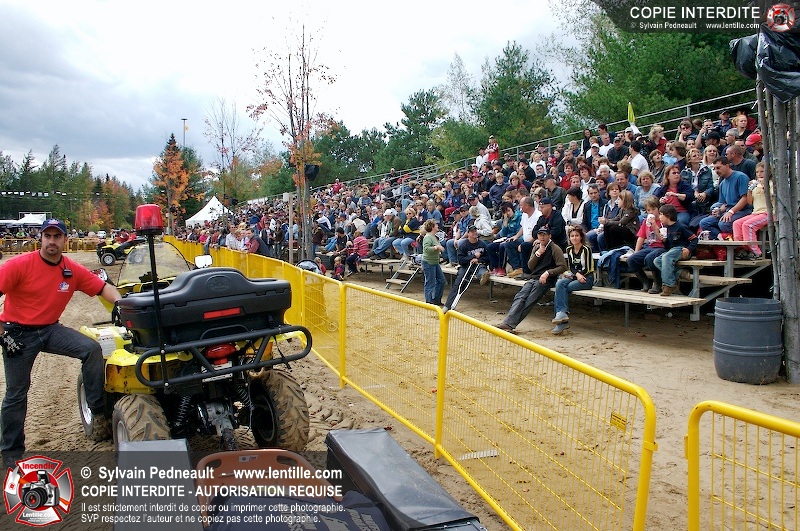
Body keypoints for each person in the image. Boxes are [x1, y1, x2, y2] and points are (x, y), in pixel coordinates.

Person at [0, 218, 122, 467]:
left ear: (65, 240)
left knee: (91, 349)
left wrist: (122, 305)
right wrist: (3, 334)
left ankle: (98, 411)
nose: (52, 241)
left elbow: (102, 288)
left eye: (57, 236)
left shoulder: (71, 270)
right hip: (17, 333)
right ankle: (11, 452)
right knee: (16, 392)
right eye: (48, 236)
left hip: (49, 328)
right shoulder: (19, 265)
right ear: (41, 238)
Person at [496, 228, 567, 332]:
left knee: (530, 300)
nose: (542, 237)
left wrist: (548, 273)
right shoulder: (537, 247)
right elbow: (530, 266)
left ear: (549, 236)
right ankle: (508, 322)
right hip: (534, 278)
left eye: (544, 235)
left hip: (546, 280)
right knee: (520, 297)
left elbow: (562, 266)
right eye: (540, 235)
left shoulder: (555, 248)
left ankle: (510, 324)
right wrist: (537, 254)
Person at [551, 226, 595, 335]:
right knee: (560, 284)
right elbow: (571, 267)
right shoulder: (569, 249)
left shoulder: (586, 249)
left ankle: (562, 319)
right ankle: (561, 315)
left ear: (581, 237)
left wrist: (579, 275)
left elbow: (588, 268)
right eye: (572, 236)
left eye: (577, 236)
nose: (574, 238)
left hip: (586, 278)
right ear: (569, 238)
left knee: (565, 288)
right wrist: (576, 274)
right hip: (575, 276)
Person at [698, 156, 752, 240]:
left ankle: (737, 243)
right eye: (715, 168)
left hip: (743, 211)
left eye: (718, 168)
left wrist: (731, 212)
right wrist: (719, 211)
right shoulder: (722, 183)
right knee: (704, 223)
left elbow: (745, 199)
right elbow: (724, 204)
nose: (716, 171)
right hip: (729, 211)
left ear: (727, 166)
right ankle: (721, 238)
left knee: (724, 224)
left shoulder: (740, 177)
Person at [442, 225, 490, 312]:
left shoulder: (482, 244)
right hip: (466, 266)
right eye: (472, 231)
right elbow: (461, 260)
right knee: (458, 283)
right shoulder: (464, 245)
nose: (474, 233)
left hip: (478, 265)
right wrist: (473, 256)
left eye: (475, 231)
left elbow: (487, 258)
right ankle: (448, 305)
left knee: (482, 270)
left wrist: (478, 260)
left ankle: (483, 276)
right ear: (468, 233)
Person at [653, 205, 698, 296]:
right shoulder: (666, 228)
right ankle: (680, 272)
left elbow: (694, 239)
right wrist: (664, 240)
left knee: (666, 257)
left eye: (661, 214)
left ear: (668, 215)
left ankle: (669, 285)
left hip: (682, 249)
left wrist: (688, 249)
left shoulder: (681, 226)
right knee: (657, 261)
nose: (659, 217)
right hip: (672, 251)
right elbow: (669, 246)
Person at [626, 197, 667, 293]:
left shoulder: (663, 220)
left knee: (650, 258)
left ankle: (657, 283)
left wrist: (654, 225)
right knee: (631, 260)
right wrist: (636, 252)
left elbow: (663, 238)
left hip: (662, 247)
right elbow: (641, 237)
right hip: (650, 247)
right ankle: (645, 282)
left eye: (653, 209)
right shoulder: (645, 221)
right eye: (649, 210)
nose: (651, 212)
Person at [732, 162, 771, 260]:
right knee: (736, 223)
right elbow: (750, 202)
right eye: (757, 172)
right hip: (756, 212)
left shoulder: (772, 184)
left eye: (762, 171)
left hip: (768, 213)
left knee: (748, 225)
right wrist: (749, 190)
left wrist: (764, 185)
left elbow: (772, 197)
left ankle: (756, 252)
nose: (759, 174)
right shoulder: (756, 184)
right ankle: (743, 249)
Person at [421, 220, 446, 306]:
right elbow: (426, 249)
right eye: (436, 225)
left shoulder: (433, 236)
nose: (437, 226)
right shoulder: (428, 237)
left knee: (441, 281)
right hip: (428, 262)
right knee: (430, 283)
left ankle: (436, 300)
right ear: (432, 227)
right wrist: (436, 247)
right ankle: (429, 302)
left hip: (434, 262)